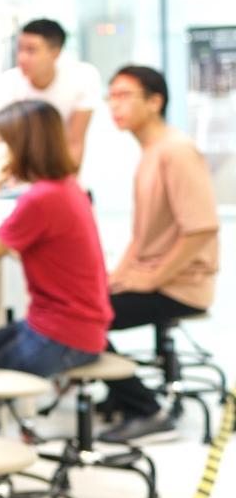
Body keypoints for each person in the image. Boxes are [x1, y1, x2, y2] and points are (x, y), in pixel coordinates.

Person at [0, 100, 111, 432]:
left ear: (25, 145)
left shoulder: (41, 199)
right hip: (75, 327)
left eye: (3, 143)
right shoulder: (64, 188)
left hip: (62, 334)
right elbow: (18, 246)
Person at [98, 65, 220, 443]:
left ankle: (146, 409)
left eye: (124, 95)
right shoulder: (151, 152)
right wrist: (116, 277)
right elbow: (142, 236)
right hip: (158, 278)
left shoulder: (176, 151)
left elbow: (201, 229)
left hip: (180, 285)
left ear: (155, 102)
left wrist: (152, 278)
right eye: (111, 96)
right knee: (87, 304)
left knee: (83, 319)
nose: (114, 105)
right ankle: (121, 393)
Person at [0, 18, 102, 170]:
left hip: (59, 169)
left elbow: (75, 143)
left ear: (55, 53)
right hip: (15, 171)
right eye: (20, 49)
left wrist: (65, 181)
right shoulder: (2, 86)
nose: (22, 58)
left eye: (31, 50)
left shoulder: (82, 79)